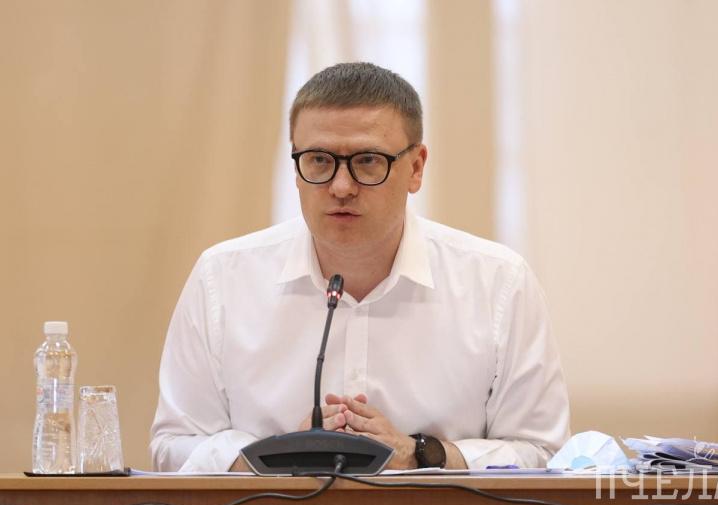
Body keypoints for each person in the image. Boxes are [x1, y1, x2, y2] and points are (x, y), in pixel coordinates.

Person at [150, 62, 570, 472]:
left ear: (416, 168)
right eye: (318, 160)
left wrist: (424, 454)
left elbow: (542, 452)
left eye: (368, 160)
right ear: (295, 167)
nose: (341, 187)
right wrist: (276, 457)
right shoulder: (222, 278)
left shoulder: (499, 283)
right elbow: (173, 446)